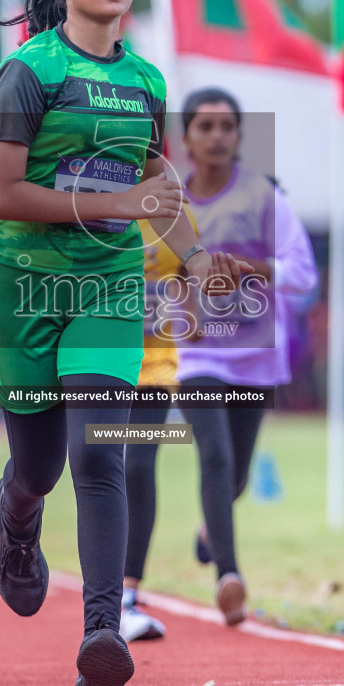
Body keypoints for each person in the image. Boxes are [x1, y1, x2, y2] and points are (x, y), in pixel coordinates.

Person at [0, 0, 247, 686]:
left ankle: (102, 632)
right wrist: (110, 206)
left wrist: (196, 260)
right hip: (24, 286)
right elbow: (0, 194)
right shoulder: (30, 72)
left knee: (100, 453)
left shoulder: (147, 81)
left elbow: (156, 186)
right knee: (39, 466)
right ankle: (17, 520)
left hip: (109, 286)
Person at [170, 88, 318, 626]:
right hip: (196, 358)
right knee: (214, 457)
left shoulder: (262, 198)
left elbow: (303, 274)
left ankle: (213, 529)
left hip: (255, 359)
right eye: (203, 127)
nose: (215, 136)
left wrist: (253, 267)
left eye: (226, 126)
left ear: (238, 135)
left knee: (234, 476)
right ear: (185, 138)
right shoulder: (169, 205)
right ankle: (229, 577)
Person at [119, 207, 199, 643]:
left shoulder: (173, 211)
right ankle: (103, 594)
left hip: (156, 367)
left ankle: (126, 597)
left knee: (137, 467)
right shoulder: (95, 201)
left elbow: (186, 269)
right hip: (101, 361)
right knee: (98, 466)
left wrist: (193, 311)